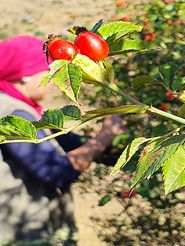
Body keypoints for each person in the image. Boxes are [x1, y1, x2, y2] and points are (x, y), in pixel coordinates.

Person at [0, 35, 124, 244]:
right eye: (48, 71)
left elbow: (71, 143)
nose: (54, 80)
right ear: (25, 76)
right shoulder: (10, 111)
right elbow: (55, 171)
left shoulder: (24, 108)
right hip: (25, 236)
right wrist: (104, 137)